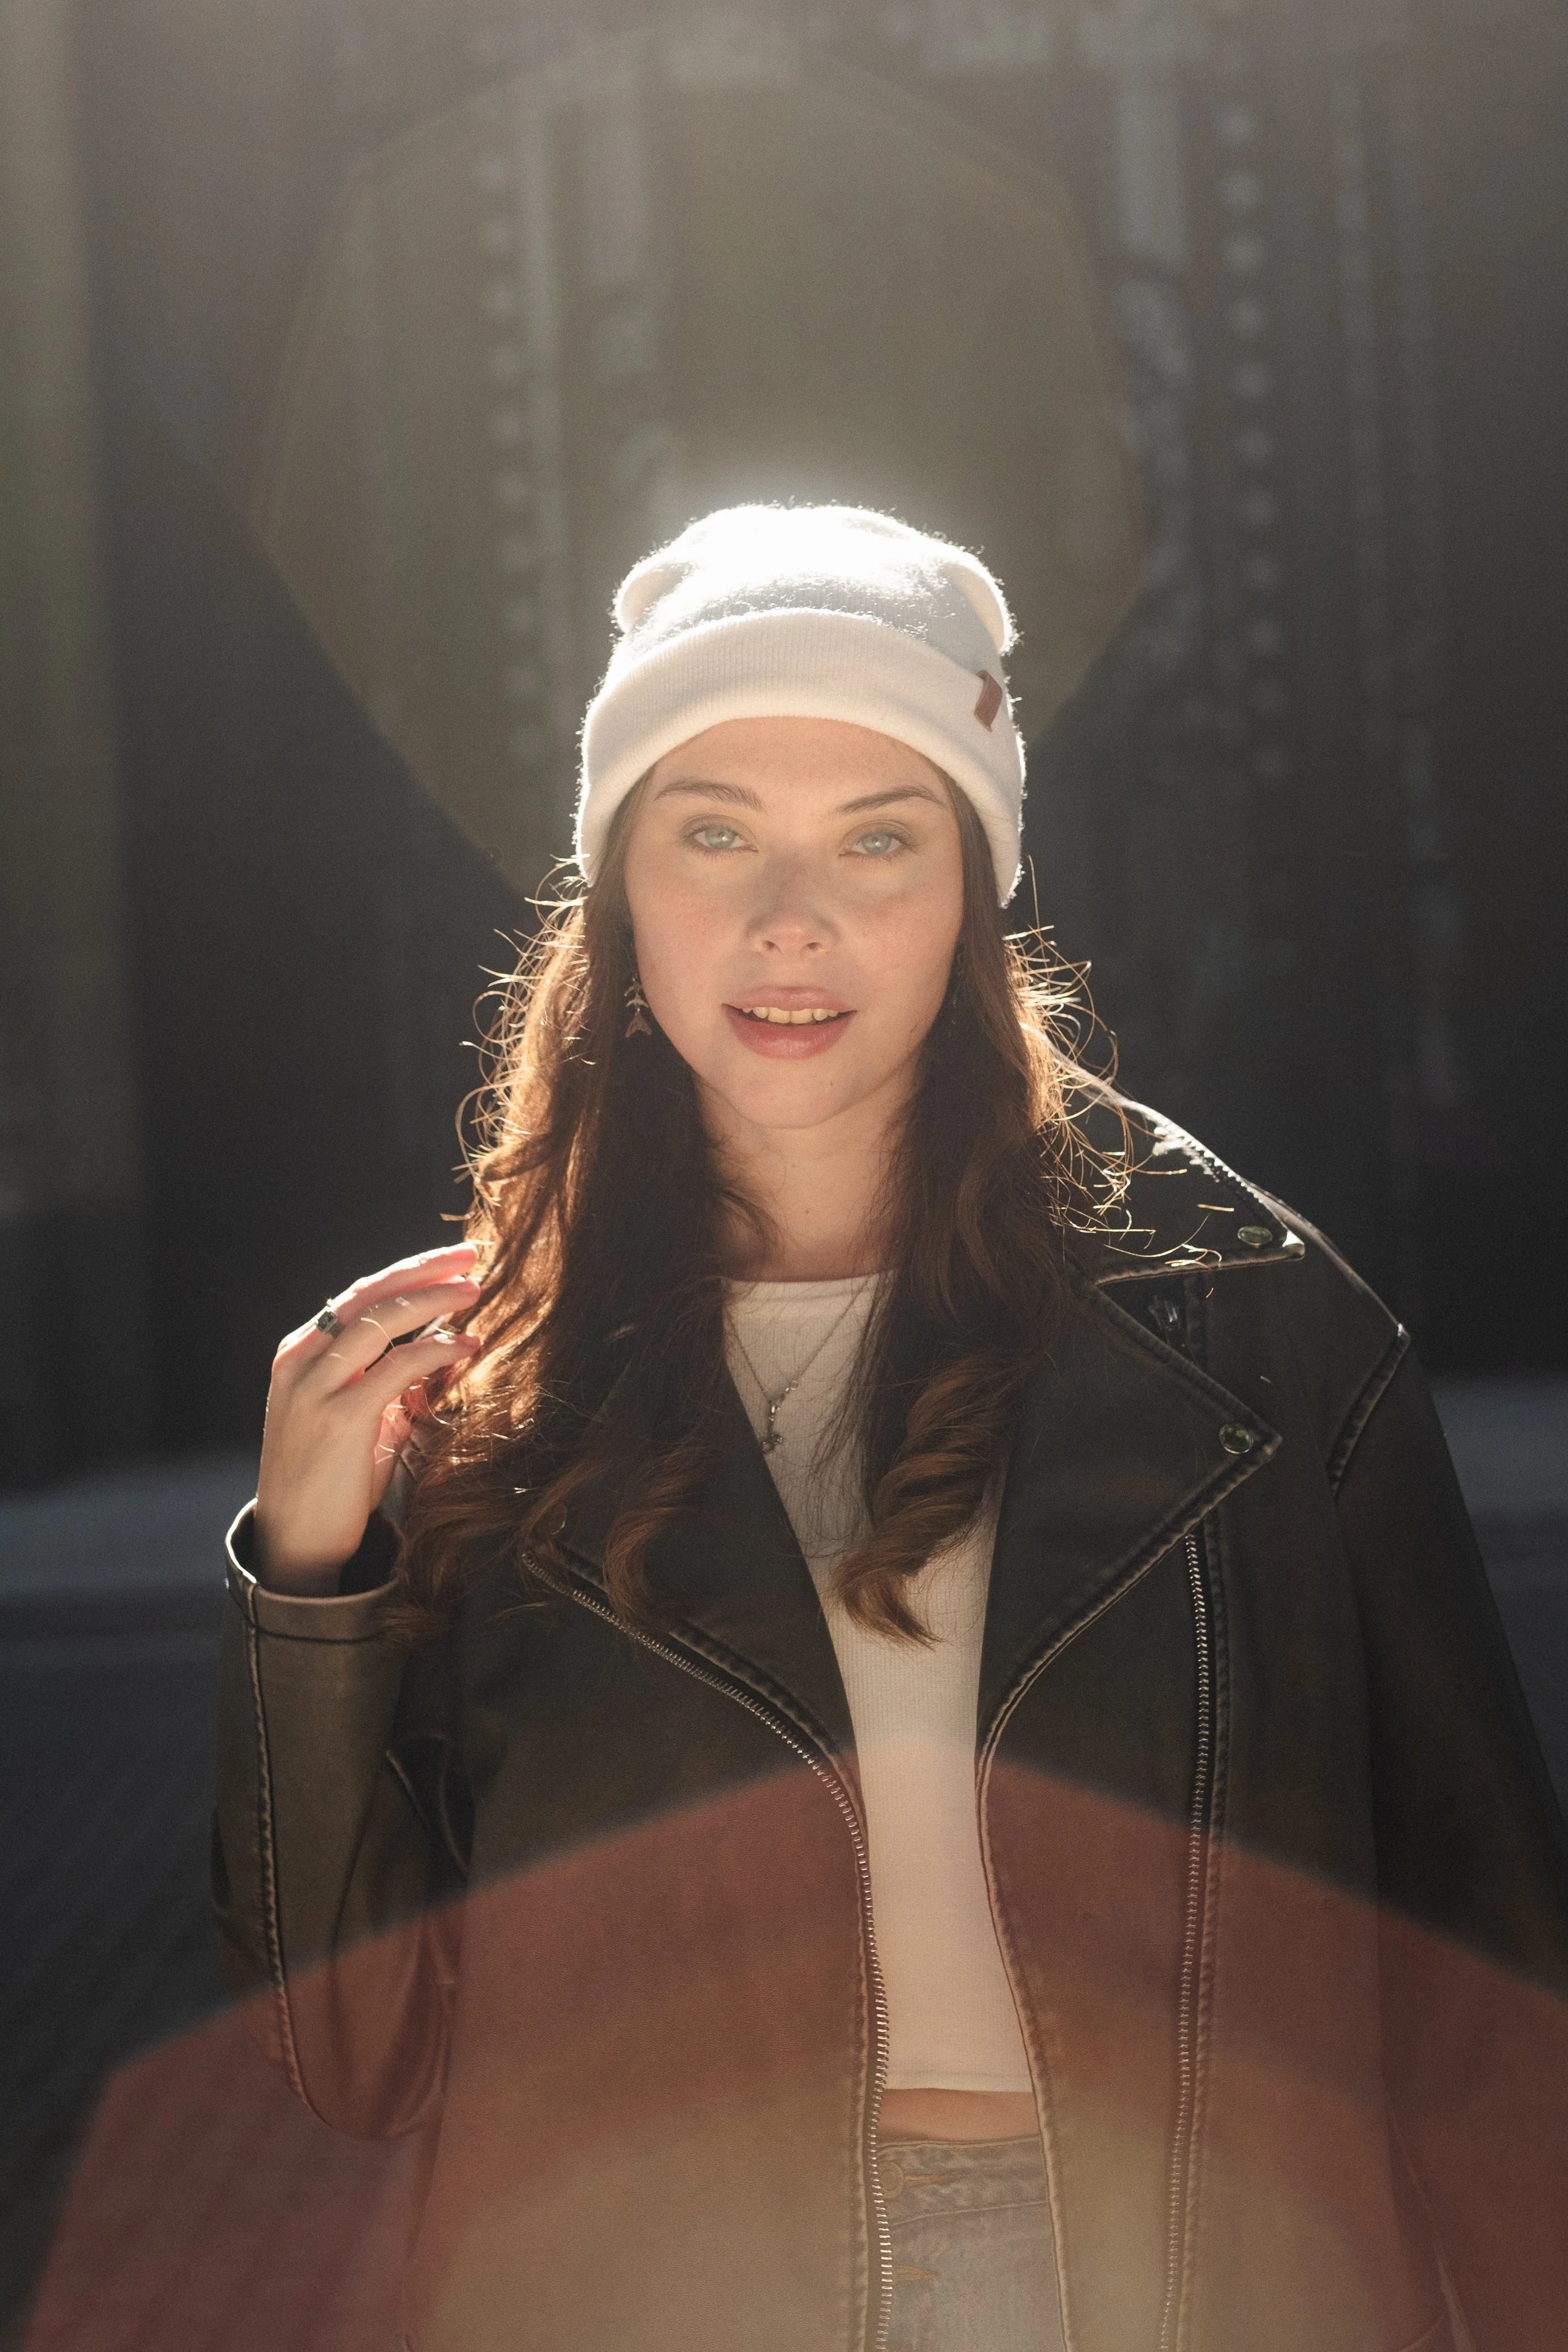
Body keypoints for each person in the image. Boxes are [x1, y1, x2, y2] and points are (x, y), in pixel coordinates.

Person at [215, 505, 1568, 2352]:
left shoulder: (1249, 1325)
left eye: (879, 837)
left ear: (975, 885)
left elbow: (1489, 1974)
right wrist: (314, 1575)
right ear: (620, 885)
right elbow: (350, 2052)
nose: (794, 921)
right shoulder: (487, 1388)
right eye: (715, 835)